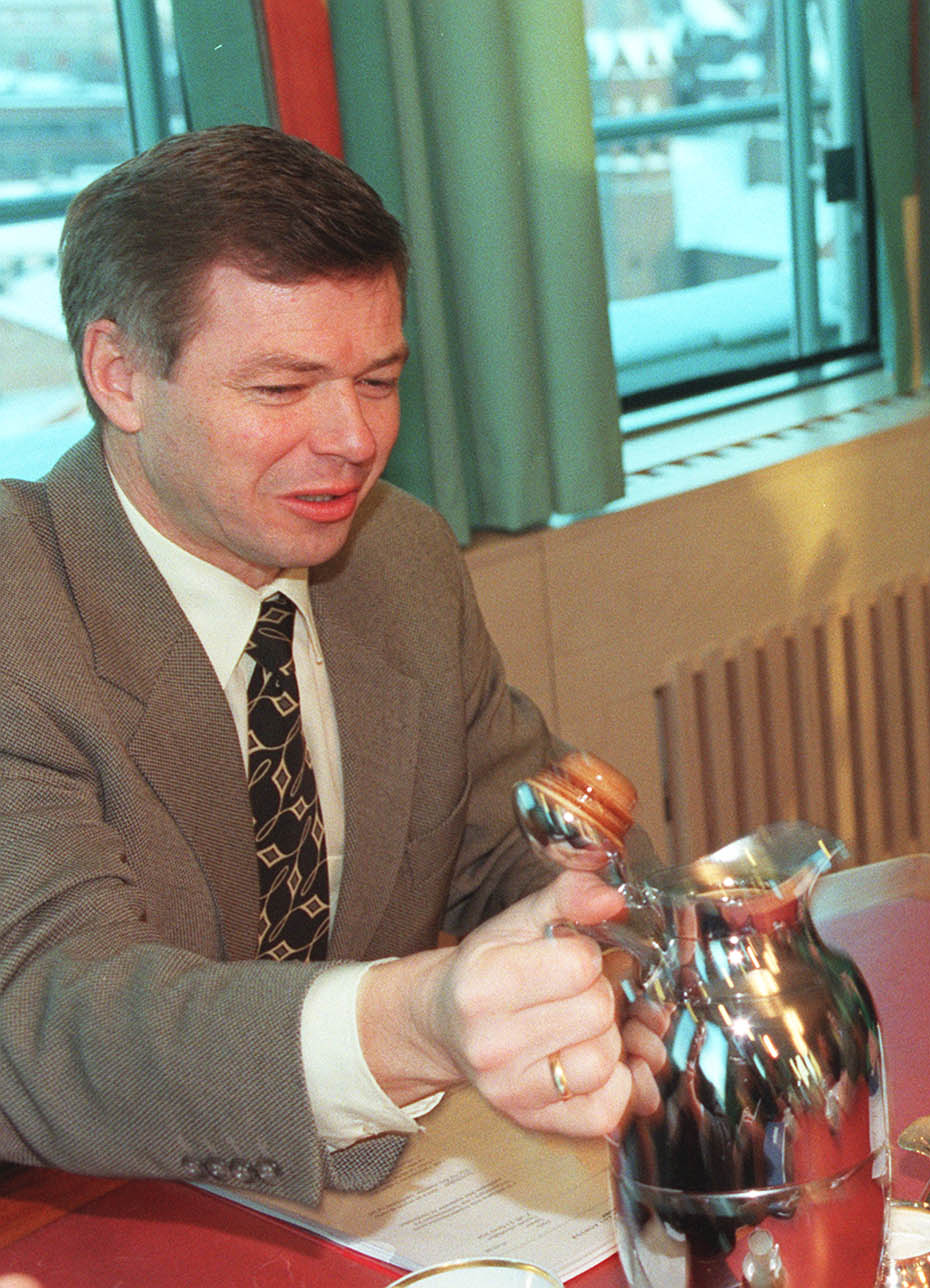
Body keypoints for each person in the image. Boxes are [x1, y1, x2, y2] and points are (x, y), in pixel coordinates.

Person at [0, 124, 654, 1205]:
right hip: (74, 1219)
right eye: (280, 389)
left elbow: (534, 845)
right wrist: (418, 1017)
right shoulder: (20, 607)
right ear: (119, 375)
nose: (352, 438)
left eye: (379, 378)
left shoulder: (397, 555)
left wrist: (624, 966)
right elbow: (58, 1014)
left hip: (366, 1196)